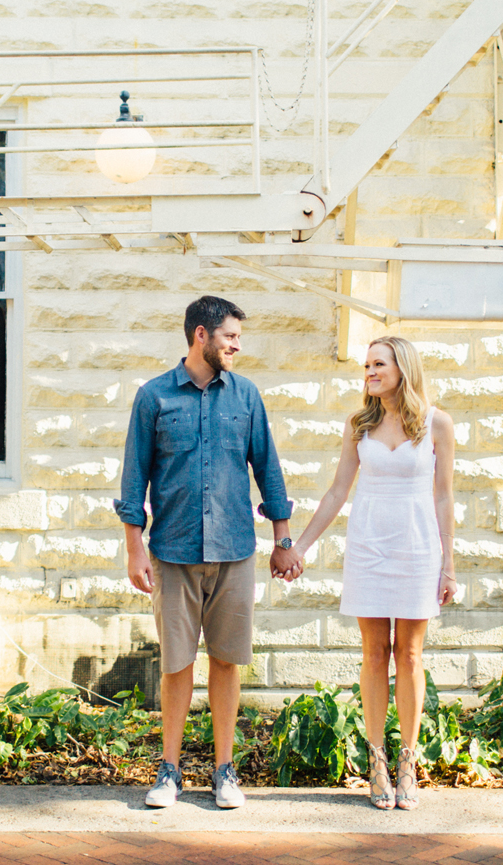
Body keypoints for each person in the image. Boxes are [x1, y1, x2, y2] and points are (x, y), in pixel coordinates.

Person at [115, 295, 298, 810]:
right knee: (176, 665)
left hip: (234, 551)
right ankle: (169, 771)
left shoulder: (246, 396)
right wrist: (134, 550)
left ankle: (224, 771)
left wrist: (283, 541)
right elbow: (134, 479)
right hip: (172, 553)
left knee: (226, 661)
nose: (237, 346)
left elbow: (268, 469)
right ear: (202, 335)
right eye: (230, 337)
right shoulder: (153, 397)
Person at [279, 336, 455, 810]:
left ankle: (408, 762)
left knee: (410, 655)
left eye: (379, 364)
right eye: (367, 366)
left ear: (403, 369)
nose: (369, 372)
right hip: (369, 548)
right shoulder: (359, 424)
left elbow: (443, 497)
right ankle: (376, 760)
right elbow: (338, 491)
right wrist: (299, 547)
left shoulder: (436, 423)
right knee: (375, 654)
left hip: (417, 549)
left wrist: (449, 565)